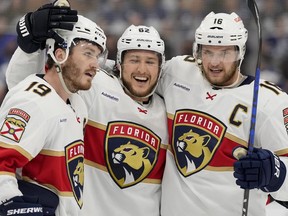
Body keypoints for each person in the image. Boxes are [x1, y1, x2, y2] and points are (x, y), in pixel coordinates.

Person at [5, 5, 168, 216]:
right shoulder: (95, 87)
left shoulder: (170, 106)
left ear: (161, 67)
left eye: (150, 61)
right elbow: (28, 86)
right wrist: (30, 45)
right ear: (118, 64)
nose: (141, 69)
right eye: (134, 60)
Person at [157, 11, 288, 216]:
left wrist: (275, 172)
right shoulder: (177, 72)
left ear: (240, 52)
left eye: (225, 53)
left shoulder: (269, 101)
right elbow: (134, 76)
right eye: (208, 52)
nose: (215, 62)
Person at [0, 1, 107, 216]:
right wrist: (13, 207)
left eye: (97, 55)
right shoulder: (34, 101)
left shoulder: (75, 103)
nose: (95, 64)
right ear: (60, 54)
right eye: (87, 53)